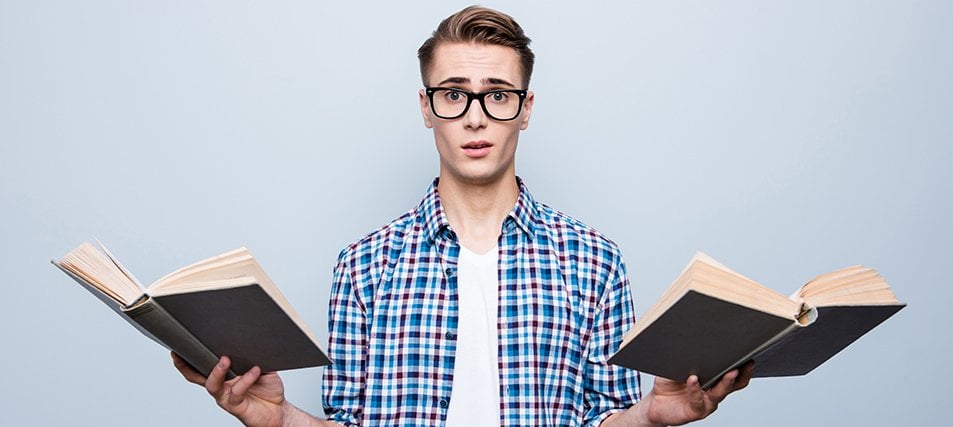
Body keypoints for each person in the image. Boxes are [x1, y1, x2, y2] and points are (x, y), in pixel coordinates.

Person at [174, 5, 752, 426]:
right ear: (427, 109)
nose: (475, 117)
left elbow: (605, 420)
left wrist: (650, 416)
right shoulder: (363, 265)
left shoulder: (594, 261)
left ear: (525, 110)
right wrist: (275, 419)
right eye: (454, 93)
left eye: (497, 94)